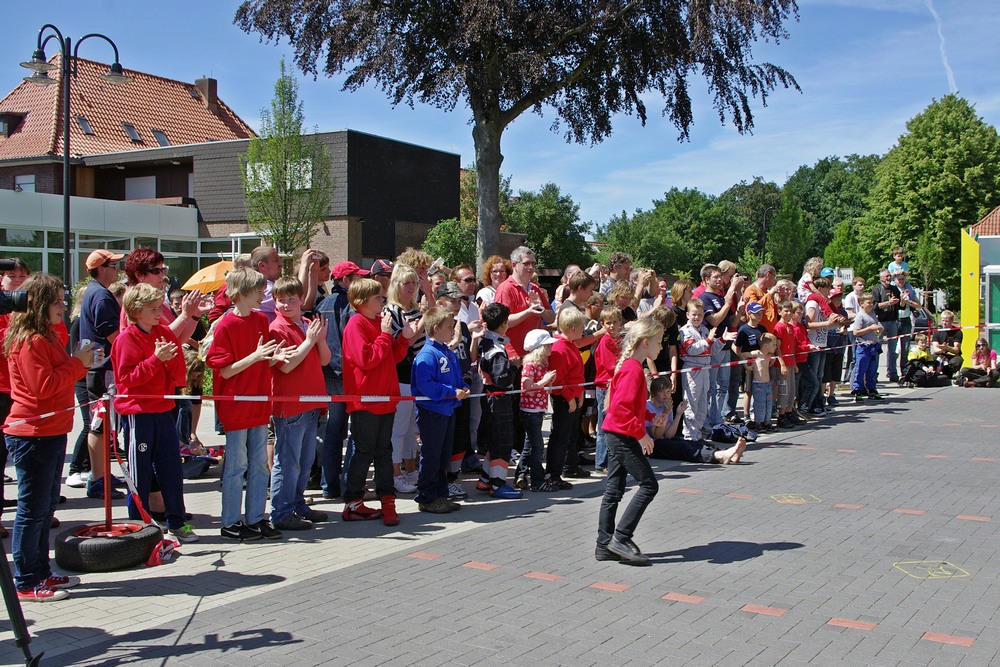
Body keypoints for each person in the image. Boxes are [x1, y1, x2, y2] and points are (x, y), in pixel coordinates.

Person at [4, 273, 99, 601]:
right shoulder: (29, 340)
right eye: (58, 301)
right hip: (33, 435)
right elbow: (42, 388)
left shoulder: (45, 335)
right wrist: (77, 364)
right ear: (40, 303)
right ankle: (27, 580)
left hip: (51, 432)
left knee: (43, 509)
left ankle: (42, 572)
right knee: (31, 510)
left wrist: (80, 362)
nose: (63, 307)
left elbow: (60, 375)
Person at [112, 283, 199, 543]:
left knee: (171, 468)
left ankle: (177, 521)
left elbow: (177, 371)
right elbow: (127, 379)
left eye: (158, 307)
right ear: (136, 312)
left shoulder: (163, 332)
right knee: (140, 472)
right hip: (139, 413)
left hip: (164, 409)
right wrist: (156, 360)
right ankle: (140, 525)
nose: (158, 313)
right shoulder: (126, 338)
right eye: (152, 309)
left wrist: (167, 362)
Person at [205, 268, 286, 541]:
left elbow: (263, 358)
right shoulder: (226, 324)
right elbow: (225, 370)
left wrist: (275, 356)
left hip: (259, 402)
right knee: (237, 466)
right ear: (239, 295)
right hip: (237, 405)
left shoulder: (261, 320)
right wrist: (256, 356)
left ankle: (255, 518)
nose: (262, 295)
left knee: (260, 465)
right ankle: (230, 521)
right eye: (256, 291)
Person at [342, 278, 414, 525]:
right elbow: (366, 360)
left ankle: (387, 499)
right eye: (378, 298)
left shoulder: (375, 322)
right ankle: (353, 502)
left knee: (384, 452)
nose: (382, 301)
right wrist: (385, 336)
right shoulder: (356, 323)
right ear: (361, 301)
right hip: (366, 401)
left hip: (385, 398)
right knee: (364, 452)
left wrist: (403, 338)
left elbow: (391, 356)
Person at [595, 318, 664, 564]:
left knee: (613, 490)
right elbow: (621, 409)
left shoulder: (633, 367)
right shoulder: (633, 369)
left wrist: (649, 417)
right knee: (649, 485)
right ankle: (621, 537)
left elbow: (628, 406)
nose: (661, 347)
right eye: (658, 342)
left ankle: (604, 546)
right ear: (645, 343)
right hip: (620, 436)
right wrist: (642, 433)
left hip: (617, 433)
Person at [268, 277, 331, 531]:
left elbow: (325, 360)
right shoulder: (277, 328)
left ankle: (296, 503)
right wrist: (308, 341)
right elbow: (287, 366)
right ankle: (281, 512)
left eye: (291, 299)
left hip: (311, 401)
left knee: (305, 461)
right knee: (289, 461)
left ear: (300, 300)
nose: (285, 304)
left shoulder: (306, 323)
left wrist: (320, 340)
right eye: (280, 300)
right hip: (290, 404)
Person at [316, 260, 369, 501]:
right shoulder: (352, 306)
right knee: (356, 431)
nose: (360, 281)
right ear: (346, 281)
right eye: (356, 277)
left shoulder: (322, 304)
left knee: (334, 432)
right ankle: (349, 484)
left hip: (328, 374)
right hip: (349, 374)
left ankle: (329, 485)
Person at [78, 249, 127, 501]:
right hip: (102, 370)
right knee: (99, 425)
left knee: (102, 425)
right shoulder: (101, 296)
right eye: (113, 265)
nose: (117, 270)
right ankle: (98, 479)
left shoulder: (95, 293)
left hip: (99, 368)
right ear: (101, 268)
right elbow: (114, 337)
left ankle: (101, 475)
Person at [411, 306, 470, 513]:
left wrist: (463, 387)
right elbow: (426, 385)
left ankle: (441, 494)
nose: (453, 330)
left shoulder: (447, 352)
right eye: (449, 326)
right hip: (432, 412)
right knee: (432, 455)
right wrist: (452, 392)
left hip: (448, 410)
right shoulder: (427, 355)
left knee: (443, 455)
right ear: (436, 328)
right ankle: (427, 497)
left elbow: (457, 378)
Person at [384, 263, 426, 493]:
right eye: (406, 283)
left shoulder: (417, 310)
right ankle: (395, 473)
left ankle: (411, 469)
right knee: (399, 428)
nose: (411, 287)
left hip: (416, 374)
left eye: (414, 283)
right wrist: (421, 324)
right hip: (400, 374)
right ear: (396, 285)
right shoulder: (391, 311)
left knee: (412, 428)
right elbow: (405, 341)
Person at [476, 303, 523, 499]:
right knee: (503, 442)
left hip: (489, 397)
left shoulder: (486, 340)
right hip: (498, 397)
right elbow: (502, 379)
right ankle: (498, 484)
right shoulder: (495, 348)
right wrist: (514, 367)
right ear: (503, 324)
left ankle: (486, 479)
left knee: (495, 440)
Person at [646, 378, 746, 465]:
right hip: (652, 446)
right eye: (662, 391)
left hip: (663, 441)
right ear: (654, 393)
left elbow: (669, 435)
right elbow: (657, 436)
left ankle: (726, 454)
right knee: (684, 448)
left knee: (693, 443)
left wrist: (678, 414)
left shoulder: (666, 406)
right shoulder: (648, 407)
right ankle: (719, 456)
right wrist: (666, 414)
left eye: (668, 391)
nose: (666, 395)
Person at [494, 246, 554, 361]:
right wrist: (528, 312)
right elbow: (502, 322)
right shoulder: (506, 288)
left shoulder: (535, 288)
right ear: (514, 265)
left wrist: (541, 309)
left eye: (533, 263)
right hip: (515, 357)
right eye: (526, 264)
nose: (531, 267)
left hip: (536, 355)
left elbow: (551, 317)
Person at [516, 329, 558, 491]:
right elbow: (527, 387)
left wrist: (548, 383)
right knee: (537, 445)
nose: (550, 349)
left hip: (538, 409)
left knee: (530, 444)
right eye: (547, 346)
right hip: (530, 410)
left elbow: (541, 386)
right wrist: (544, 381)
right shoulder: (530, 365)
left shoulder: (543, 364)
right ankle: (537, 481)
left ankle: (521, 474)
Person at [678, 298, 725, 441]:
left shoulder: (705, 330)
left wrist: (723, 340)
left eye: (700, 314)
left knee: (702, 405)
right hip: (692, 370)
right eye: (694, 314)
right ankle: (689, 437)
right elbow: (692, 349)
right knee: (691, 404)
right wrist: (709, 340)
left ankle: (697, 434)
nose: (697, 317)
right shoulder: (685, 331)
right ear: (687, 315)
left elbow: (712, 350)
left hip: (705, 369)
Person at [549, 307, 588, 480]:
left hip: (574, 397)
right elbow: (558, 380)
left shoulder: (570, 345)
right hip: (564, 399)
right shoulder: (560, 348)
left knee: (572, 435)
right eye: (581, 327)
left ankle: (570, 466)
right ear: (572, 328)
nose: (583, 330)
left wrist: (579, 394)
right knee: (561, 437)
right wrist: (570, 397)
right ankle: (554, 474)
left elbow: (576, 374)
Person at [593, 306, 624, 475]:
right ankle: (601, 462)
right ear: (603, 324)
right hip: (605, 387)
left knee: (611, 425)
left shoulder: (617, 339)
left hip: (614, 386)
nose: (611, 326)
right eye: (608, 323)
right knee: (604, 427)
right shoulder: (606, 341)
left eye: (615, 322)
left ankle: (609, 459)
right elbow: (611, 365)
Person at [850, 293, 884, 401]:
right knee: (860, 368)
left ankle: (872, 389)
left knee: (872, 369)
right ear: (861, 303)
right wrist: (870, 328)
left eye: (872, 302)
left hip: (873, 345)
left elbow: (876, 326)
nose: (871, 305)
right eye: (868, 303)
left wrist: (879, 330)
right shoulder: (860, 316)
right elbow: (856, 332)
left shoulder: (872, 314)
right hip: (863, 346)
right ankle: (858, 390)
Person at [773, 301, 801, 428]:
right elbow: (777, 348)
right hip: (782, 364)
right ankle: (782, 415)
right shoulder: (779, 327)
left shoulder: (790, 327)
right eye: (786, 311)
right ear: (779, 312)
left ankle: (790, 412)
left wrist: (793, 363)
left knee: (791, 389)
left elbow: (792, 348)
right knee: (783, 390)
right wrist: (782, 364)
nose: (788, 313)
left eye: (790, 311)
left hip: (790, 362)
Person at [871, 269, 901, 382]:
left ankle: (892, 373)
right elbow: (874, 306)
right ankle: (874, 374)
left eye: (890, 276)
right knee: (876, 349)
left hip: (893, 321)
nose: (889, 278)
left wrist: (903, 300)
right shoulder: (877, 290)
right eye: (887, 276)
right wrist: (888, 303)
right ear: (881, 278)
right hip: (880, 322)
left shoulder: (894, 289)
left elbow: (899, 304)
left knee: (892, 350)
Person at [749, 333, 778, 431]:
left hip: (767, 383)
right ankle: (758, 423)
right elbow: (743, 355)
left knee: (768, 403)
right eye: (773, 345)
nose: (775, 347)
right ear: (765, 345)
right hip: (758, 383)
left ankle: (767, 422)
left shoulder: (769, 355)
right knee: (760, 404)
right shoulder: (757, 353)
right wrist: (747, 366)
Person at [893, 270, 919, 379]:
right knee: (892, 348)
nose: (901, 281)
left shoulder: (910, 290)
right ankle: (892, 372)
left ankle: (904, 371)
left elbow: (918, 305)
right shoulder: (893, 289)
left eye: (903, 279)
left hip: (906, 319)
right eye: (899, 279)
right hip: (895, 319)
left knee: (905, 347)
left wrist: (908, 302)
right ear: (895, 280)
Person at [251, 245, 283, 322]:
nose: (280, 264)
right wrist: (305, 267)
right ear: (262, 266)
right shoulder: (268, 290)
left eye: (280, 260)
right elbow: (302, 303)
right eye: (275, 260)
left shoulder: (253, 288)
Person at [931, 310, 964, 377]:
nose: (944, 323)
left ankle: (949, 374)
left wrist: (947, 348)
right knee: (930, 358)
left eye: (946, 321)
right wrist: (942, 350)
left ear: (951, 321)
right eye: (943, 320)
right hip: (940, 354)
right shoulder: (937, 331)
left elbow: (956, 349)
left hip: (952, 355)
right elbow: (935, 349)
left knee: (957, 361)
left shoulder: (957, 332)